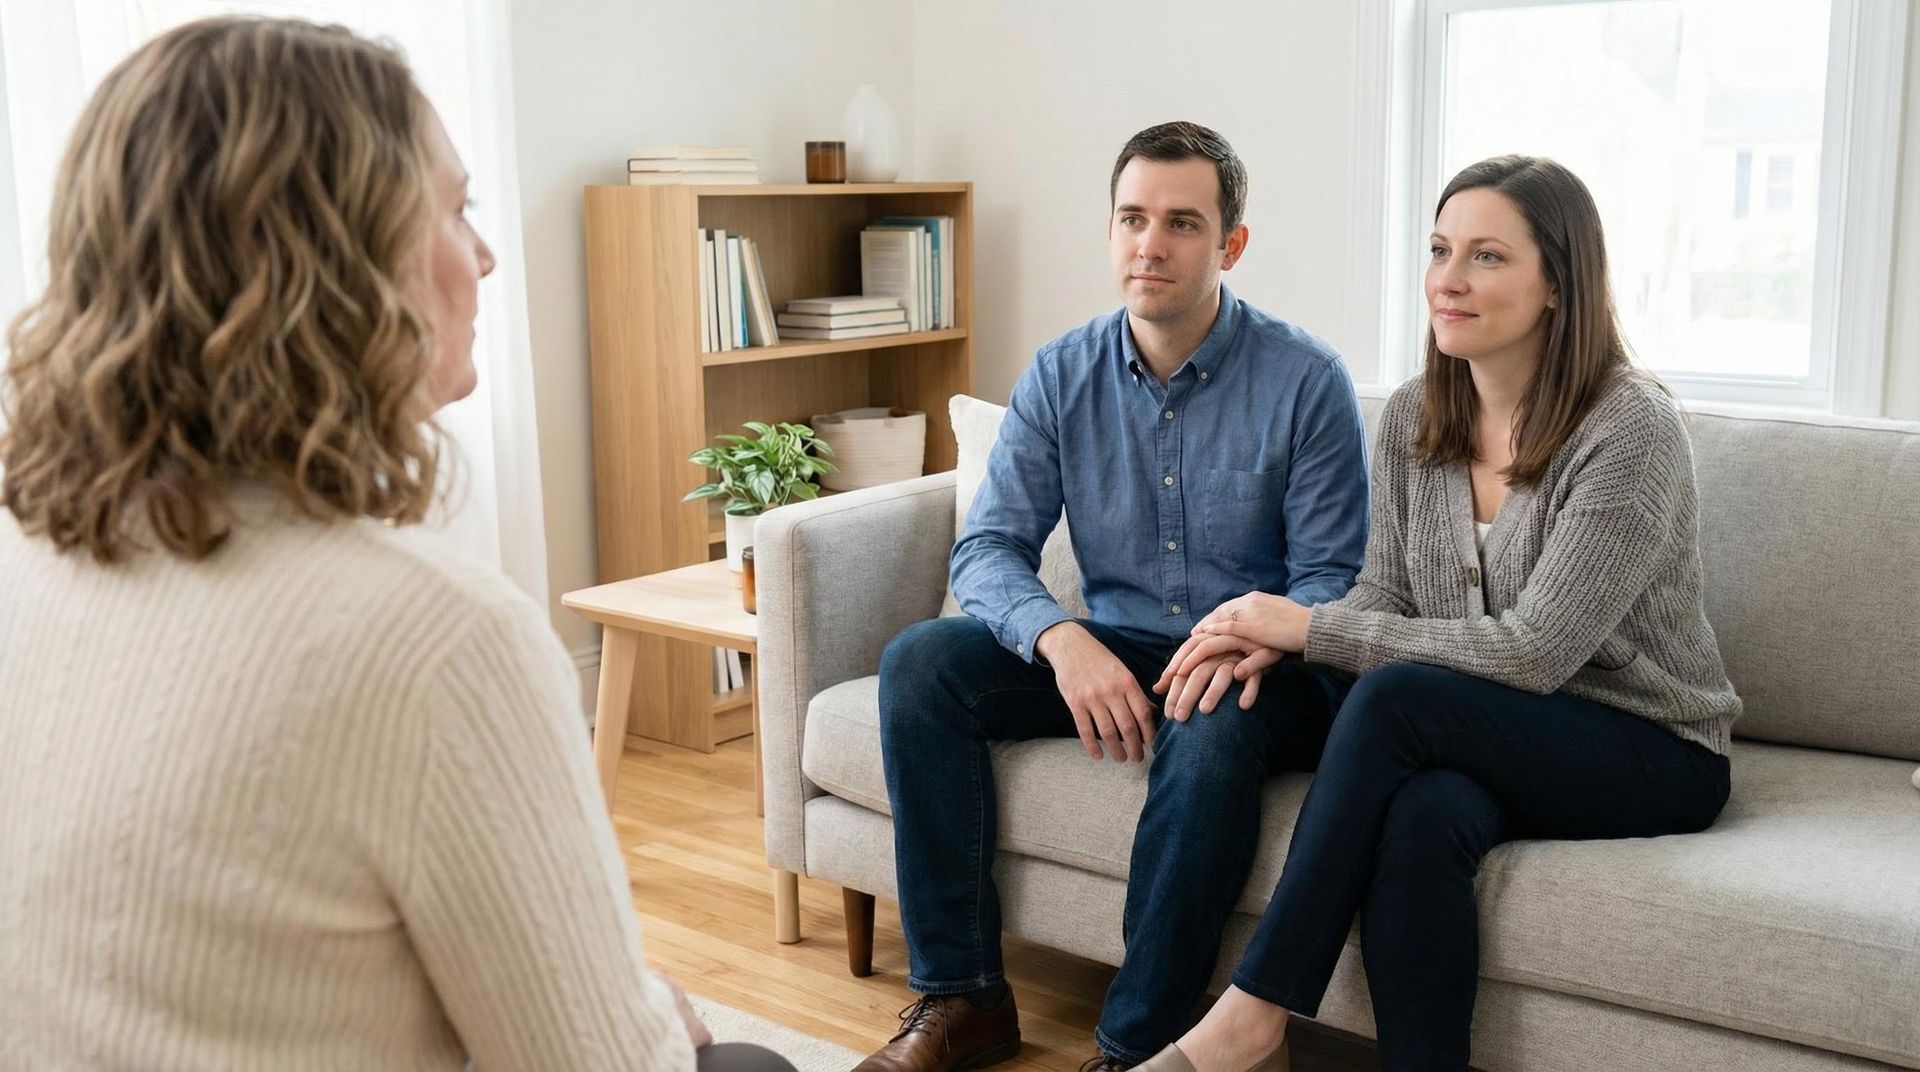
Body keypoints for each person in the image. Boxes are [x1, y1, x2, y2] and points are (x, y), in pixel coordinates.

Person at [0, 17, 790, 1072]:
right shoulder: (439, 642)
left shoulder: (25, 543)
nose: (489, 253)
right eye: (457, 208)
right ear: (336, 268)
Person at [1139, 155, 1742, 1072]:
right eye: (1438, 249)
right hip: (1501, 734)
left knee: (1394, 702)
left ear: (1558, 286)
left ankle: (1252, 1014)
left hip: (1650, 746)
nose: (1448, 280)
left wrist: (1310, 628)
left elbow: (1537, 651)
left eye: (1488, 257)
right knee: (1424, 816)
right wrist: (1276, 645)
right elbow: (1383, 596)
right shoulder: (1419, 414)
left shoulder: (1631, 430)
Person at [857, 121, 1371, 1072]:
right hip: (1122, 643)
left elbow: (1332, 582)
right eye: (1132, 218)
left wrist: (1251, 639)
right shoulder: (1061, 373)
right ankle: (963, 996)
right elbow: (989, 548)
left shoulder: (1307, 381)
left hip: (1264, 664)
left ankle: (1139, 1047)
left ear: (1231, 245)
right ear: (1110, 232)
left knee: (1209, 723)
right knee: (921, 664)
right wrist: (1060, 638)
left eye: (1182, 223)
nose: (1151, 244)